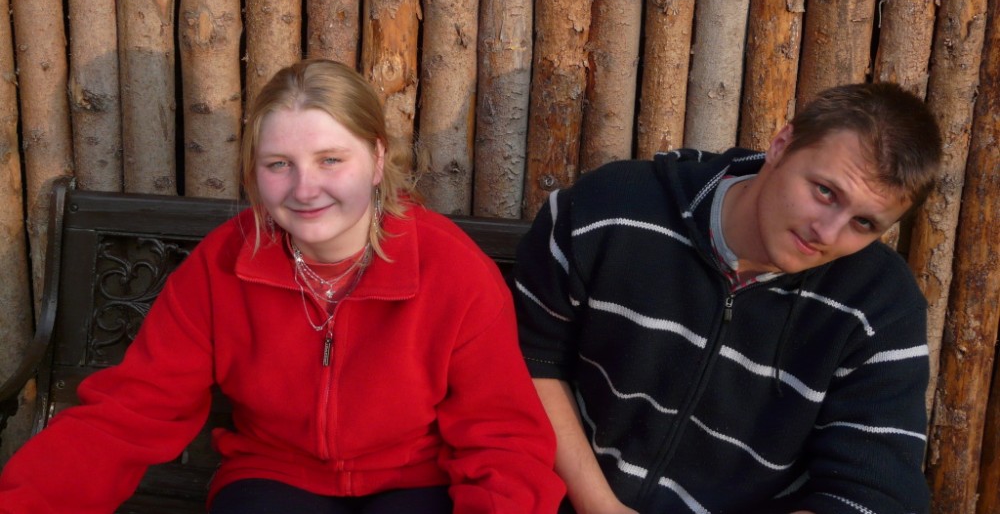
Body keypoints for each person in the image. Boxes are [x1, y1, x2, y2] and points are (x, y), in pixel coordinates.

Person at [0, 58, 564, 514]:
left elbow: (503, 440)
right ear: (254, 173)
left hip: (417, 478)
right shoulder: (223, 265)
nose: (305, 189)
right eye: (278, 164)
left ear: (376, 160)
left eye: (330, 159)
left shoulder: (451, 270)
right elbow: (131, 412)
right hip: (274, 475)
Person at [513, 82, 942, 514]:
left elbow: (875, 494)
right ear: (781, 145)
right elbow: (532, 359)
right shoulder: (610, 208)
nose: (827, 234)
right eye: (825, 192)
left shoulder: (880, 305)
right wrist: (600, 506)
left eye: (864, 223)